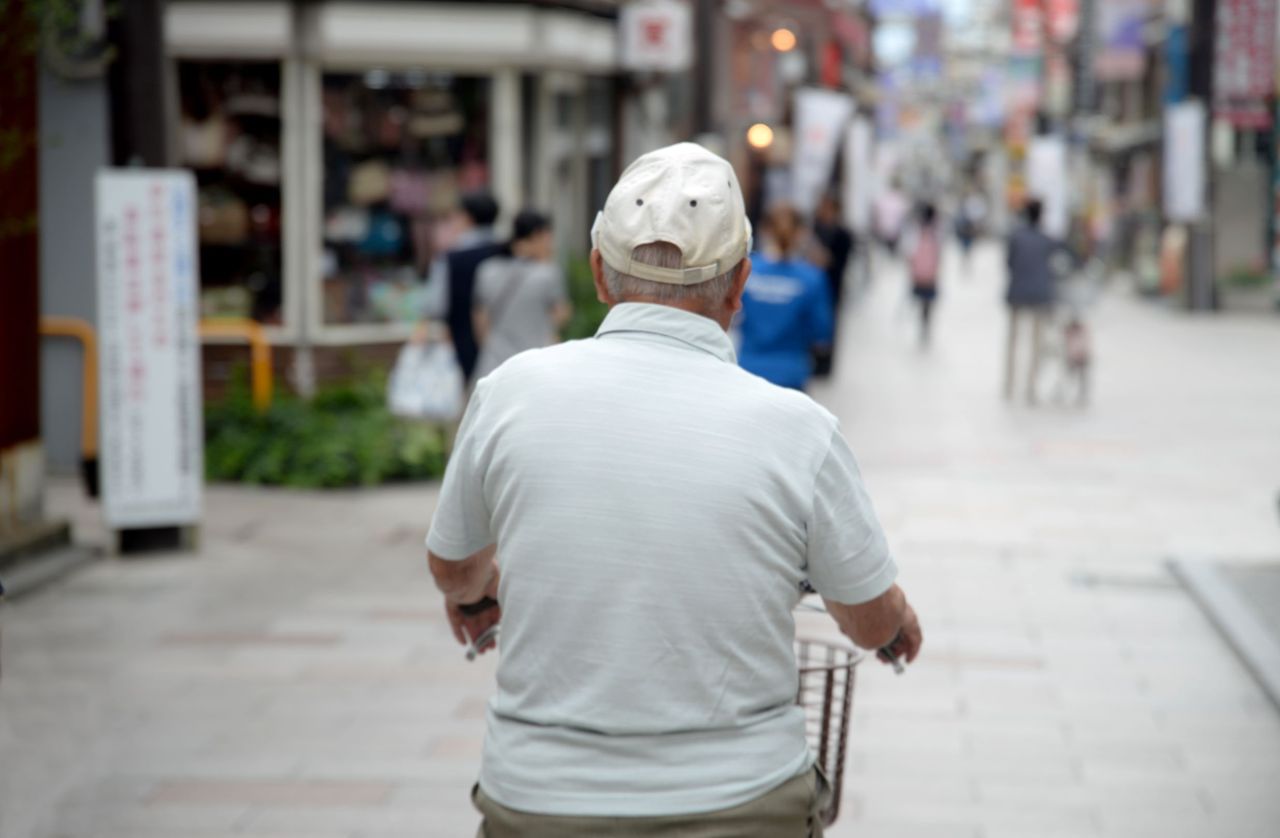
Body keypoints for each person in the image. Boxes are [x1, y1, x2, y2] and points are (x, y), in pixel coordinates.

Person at [427, 143, 922, 838]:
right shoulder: (799, 429)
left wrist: (479, 589)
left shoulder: (508, 393)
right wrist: (894, 618)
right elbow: (867, 617)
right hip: (741, 805)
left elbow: (452, 565)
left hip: (538, 799)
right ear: (740, 282)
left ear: (598, 272)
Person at [736, 204, 834, 391]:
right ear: (803, 234)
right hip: (791, 374)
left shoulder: (747, 271)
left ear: (764, 230)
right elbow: (821, 336)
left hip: (748, 369)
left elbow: (732, 317)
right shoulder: (812, 278)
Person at [471, 210, 571, 381]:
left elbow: (480, 321)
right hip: (534, 366)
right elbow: (561, 315)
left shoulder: (487, 270)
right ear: (538, 235)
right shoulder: (548, 273)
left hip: (494, 366)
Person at [425, 192, 505, 385]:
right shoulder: (508, 252)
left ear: (467, 217)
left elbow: (436, 306)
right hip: (506, 342)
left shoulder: (450, 259)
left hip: (463, 342)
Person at [1005, 199, 1061, 403]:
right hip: (1040, 294)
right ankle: (1031, 387)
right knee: (1036, 343)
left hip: (1017, 292)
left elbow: (1009, 263)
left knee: (1013, 341)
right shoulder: (1046, 239)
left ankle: (1009, 384)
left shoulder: (1016, 237)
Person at [811, 194, 854, 377]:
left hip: (833, 286)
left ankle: (825, 364)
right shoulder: (815, 229)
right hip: (814, 286)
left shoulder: (843, 234)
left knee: (830, 324)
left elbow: (841, 262)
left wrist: (825, 259)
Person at [904, 203, 942, 346]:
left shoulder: (916, 230)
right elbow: (939, 252)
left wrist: (911, 269)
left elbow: (910, 252)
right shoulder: (935, 231)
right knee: (928, 303)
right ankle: (925, 325)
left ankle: (922, 324)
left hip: (919, 272)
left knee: (921, 301)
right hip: (930, 273)